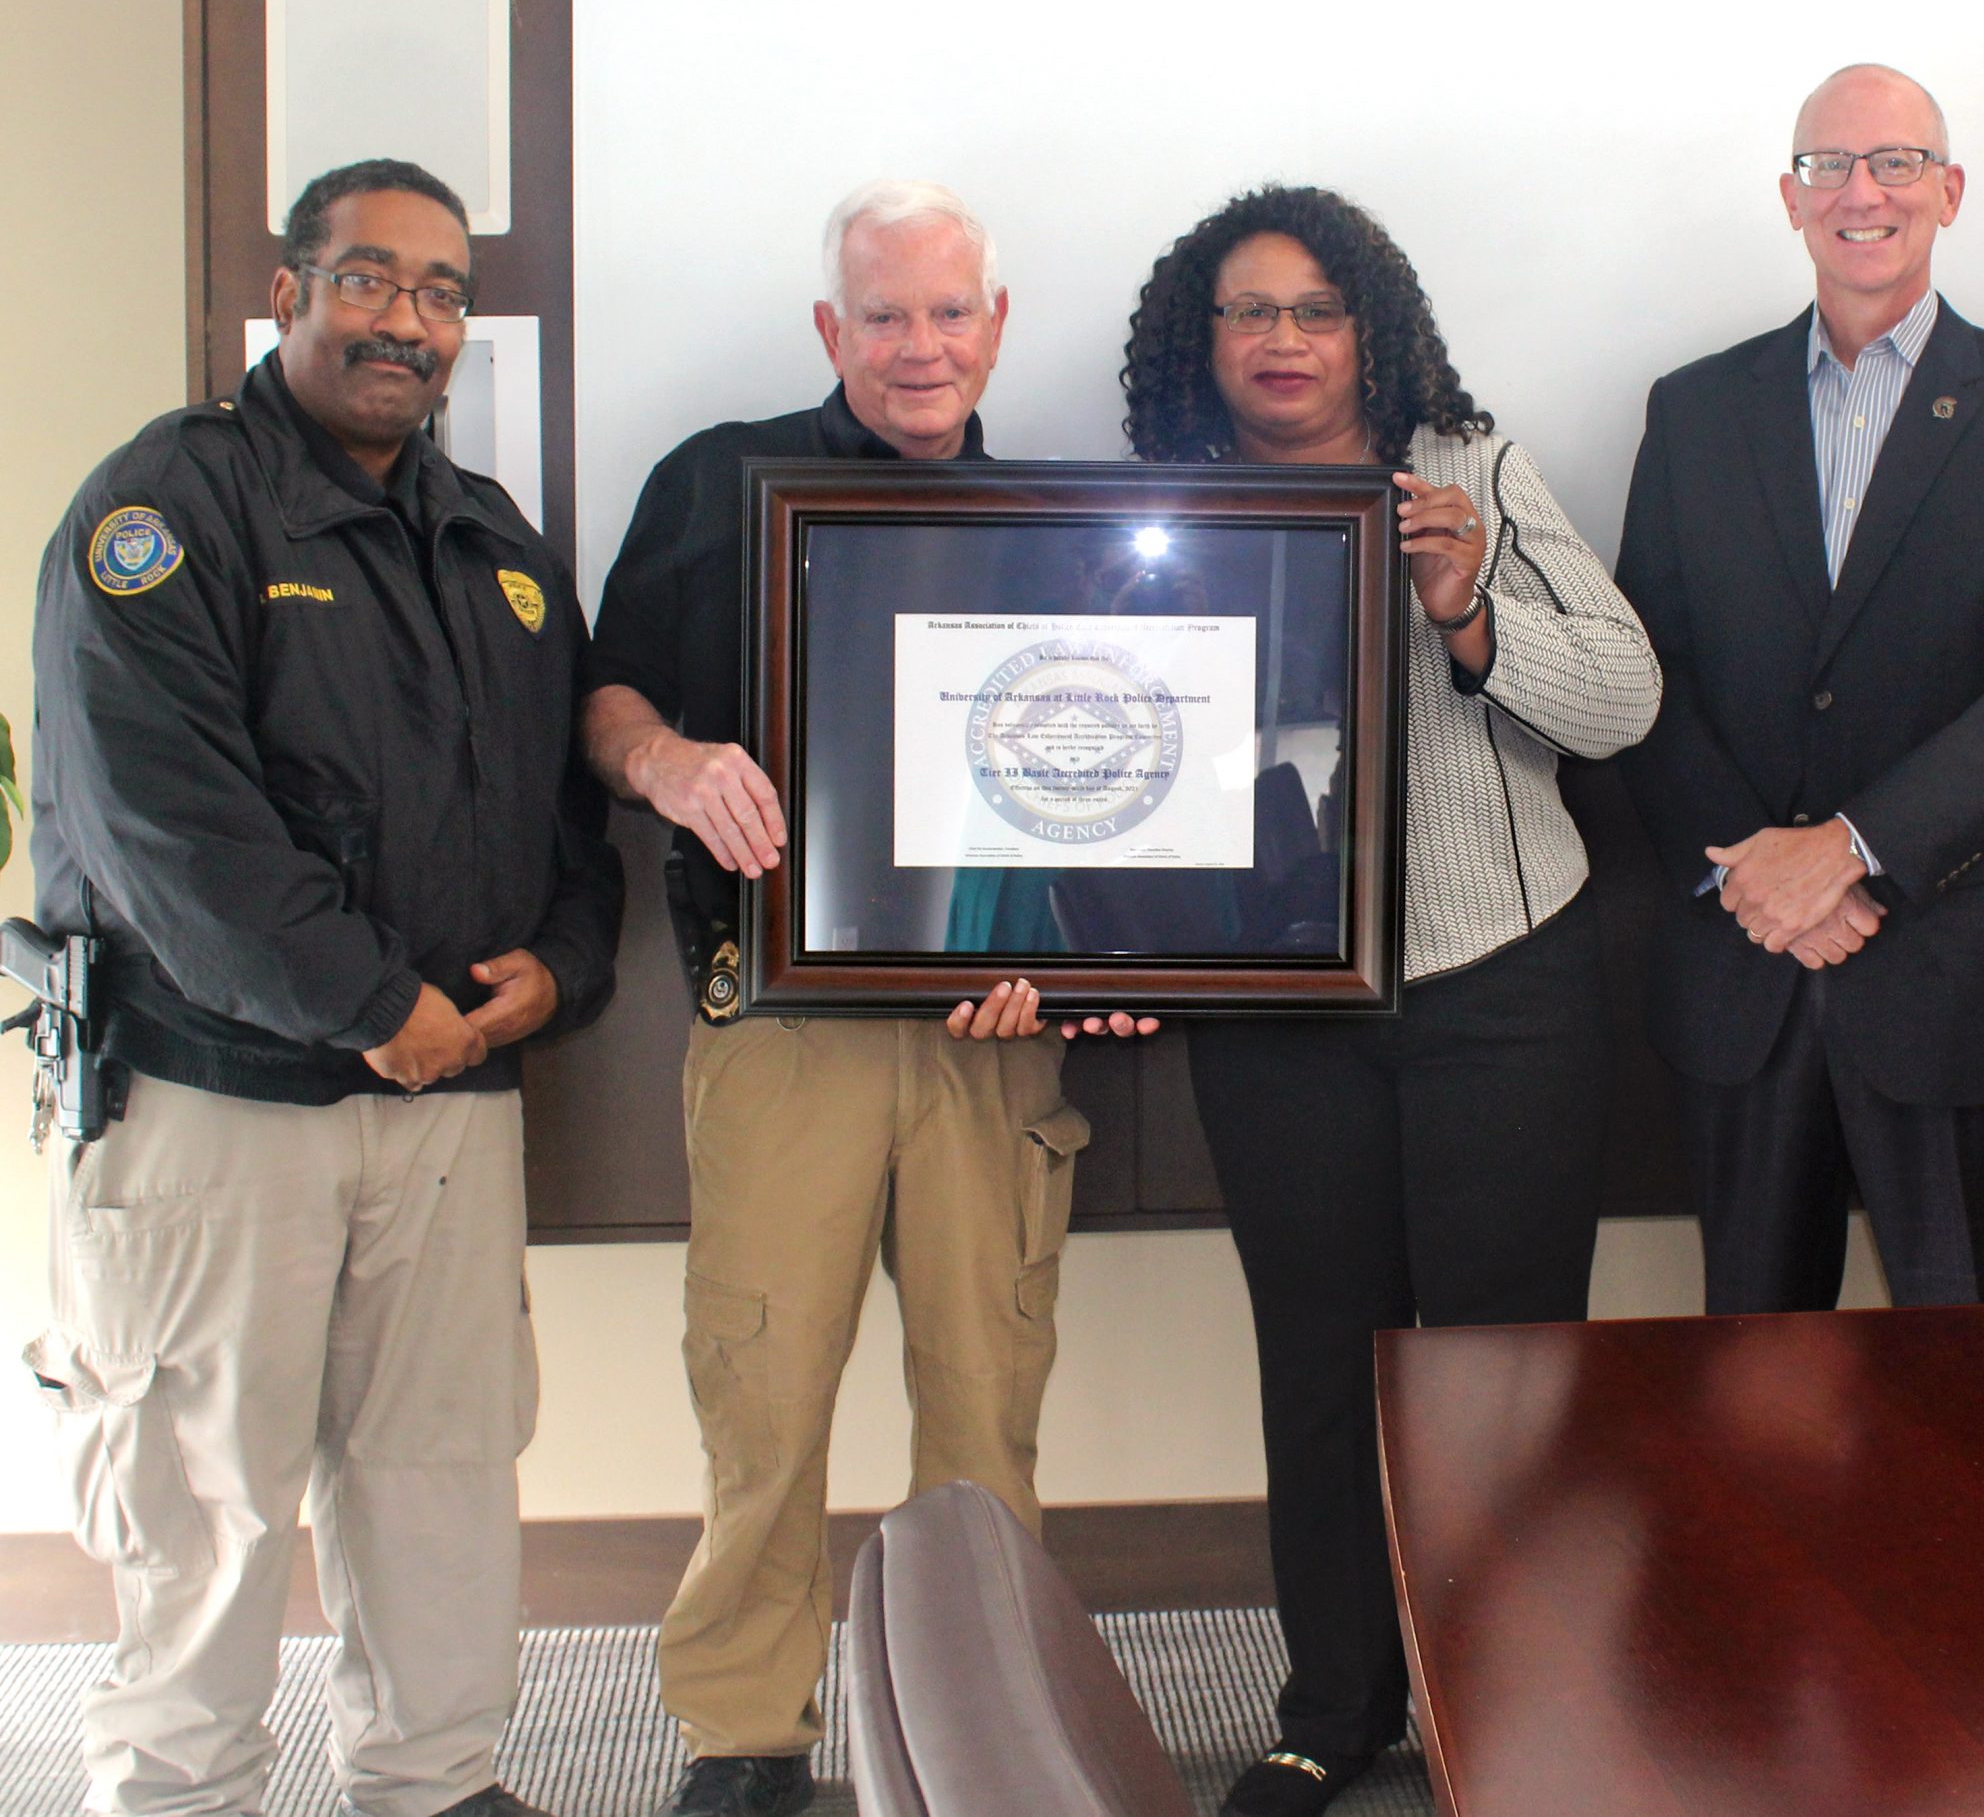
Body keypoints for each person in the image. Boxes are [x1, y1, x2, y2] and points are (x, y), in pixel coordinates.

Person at [27, 159, 621, 1817]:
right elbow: (168, 825)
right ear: (288, 290)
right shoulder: (164, 511)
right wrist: (376, 997)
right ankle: (177, 1790)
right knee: (203, 1503)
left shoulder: (493, 547)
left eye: (438, 291)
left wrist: (553, 978)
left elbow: (570, 818)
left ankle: (437, 1783)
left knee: (442, 1480)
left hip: (448, 1105)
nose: (405, 320)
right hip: (219, 1105)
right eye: (369, 278)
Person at [580, 180, 1149, 1817]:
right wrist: (669, 760)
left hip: (995, 1040)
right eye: (883, 313)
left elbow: (1116, 776)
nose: (919, 345)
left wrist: (1086, 947)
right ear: (832, 328)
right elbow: (606, 691)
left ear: (997, 320)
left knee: (989, 1391)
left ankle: (989, 1724)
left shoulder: (1064, 521)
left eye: (948, 310)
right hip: (782, 1027)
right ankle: (745, 1732)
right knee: (763, 1392)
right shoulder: (716, 479)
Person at [1122, 183, 1662, 1816]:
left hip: (1502, 971)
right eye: (1246, 312)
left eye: (1314, 309)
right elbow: (1126, 754)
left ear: (1374, 330)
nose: (1280, 341)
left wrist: (1472, 603)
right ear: (1199, 343)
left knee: (1497, 1364)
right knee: (1323, 1352)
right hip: (1280, 1000)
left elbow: (1624, 700)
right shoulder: (1159, 510)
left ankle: (1498, 1696)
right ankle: (1330, 1703)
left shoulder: (1476, 473)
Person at [1615, 64, 1984, 1314]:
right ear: (1789, 199)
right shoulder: (1692, 411)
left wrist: (1850, 851)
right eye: (1827, 166)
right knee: (1752, 1392)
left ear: (1947, 192)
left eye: (1894, 163)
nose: (1861, 192)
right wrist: (1759, 876)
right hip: (1747, 972)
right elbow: (1647, 675)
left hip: (1961, 972)